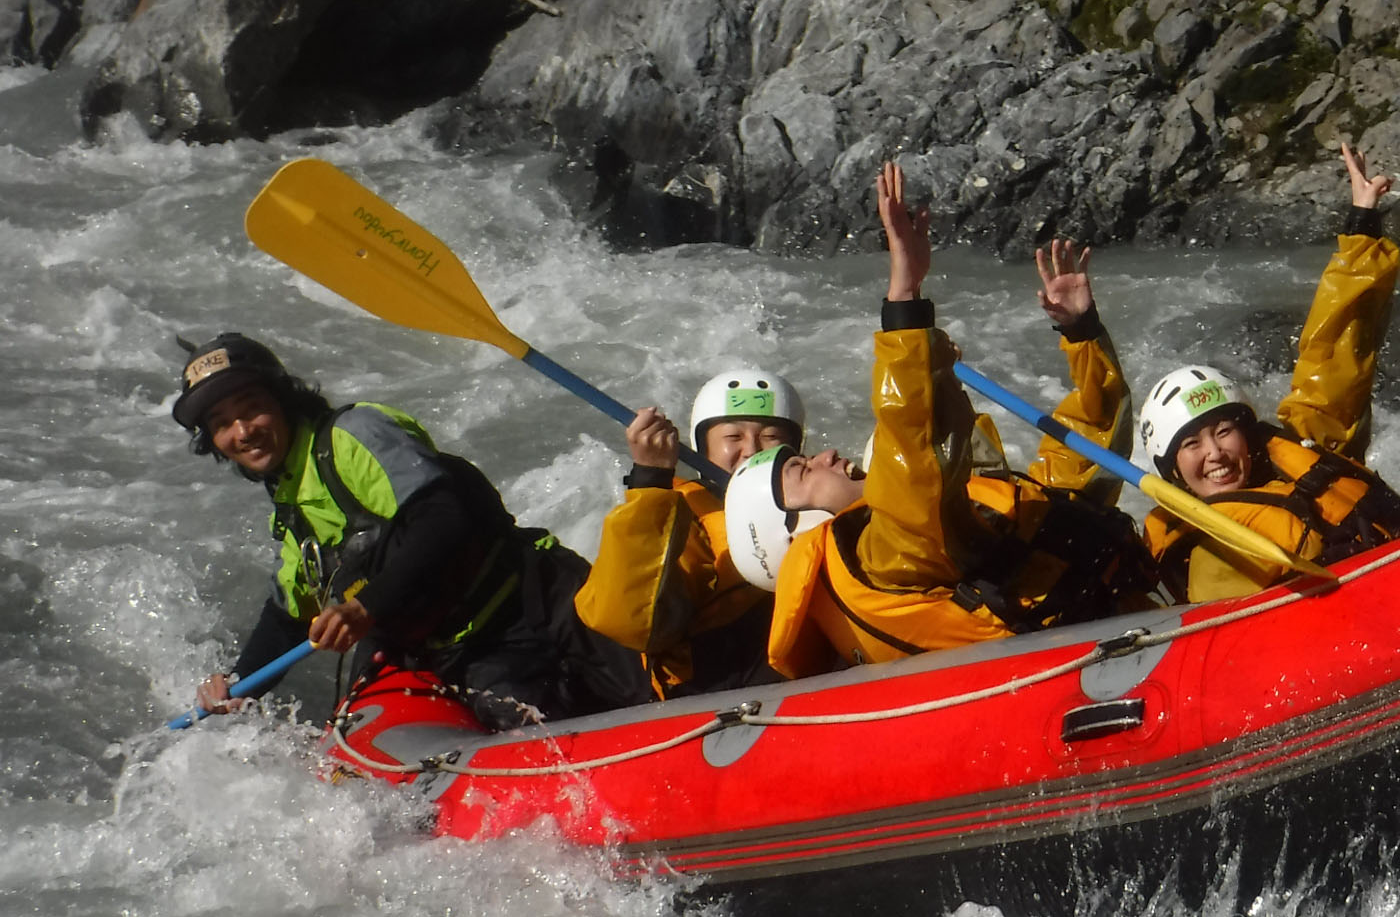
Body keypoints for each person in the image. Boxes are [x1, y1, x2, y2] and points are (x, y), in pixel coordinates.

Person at [744, 162, 1156, 680]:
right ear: (794, 531)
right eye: (803, 471)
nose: (825, 454)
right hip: (1088, 668)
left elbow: (1089, 453)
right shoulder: (888, 563)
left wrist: (1082, 334)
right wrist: (904, 294)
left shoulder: (948, 526)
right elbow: (913, 447)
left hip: (1123, 630)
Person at [176, 333, 647, 728]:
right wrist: (236, 684)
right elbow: (288, 617)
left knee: (670, 693)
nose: (241, 431)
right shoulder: (293, 507)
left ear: (282, 400)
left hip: (542, 605)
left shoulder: (352, 436)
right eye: (220, 425)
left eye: (251, 408)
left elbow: (442, 513)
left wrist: (366, 606)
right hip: (475, 654)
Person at [1135, 142, 1400, 603]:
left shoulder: (1301, 453)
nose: (1215, 454)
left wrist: (1361, 225)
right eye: (1192, 444)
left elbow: (1333, 354)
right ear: (1172, 471)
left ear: (1247, 435)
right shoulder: (1207, 558)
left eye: (1224, 431)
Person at [573, 370, 810, 698]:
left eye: (771, 437)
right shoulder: (686, 514)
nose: (752, 450)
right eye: (733, 438)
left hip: (806, 668)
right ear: (703, 449)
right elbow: (630, 624)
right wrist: (650, 480)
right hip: (716, 690)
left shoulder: (822, 495)